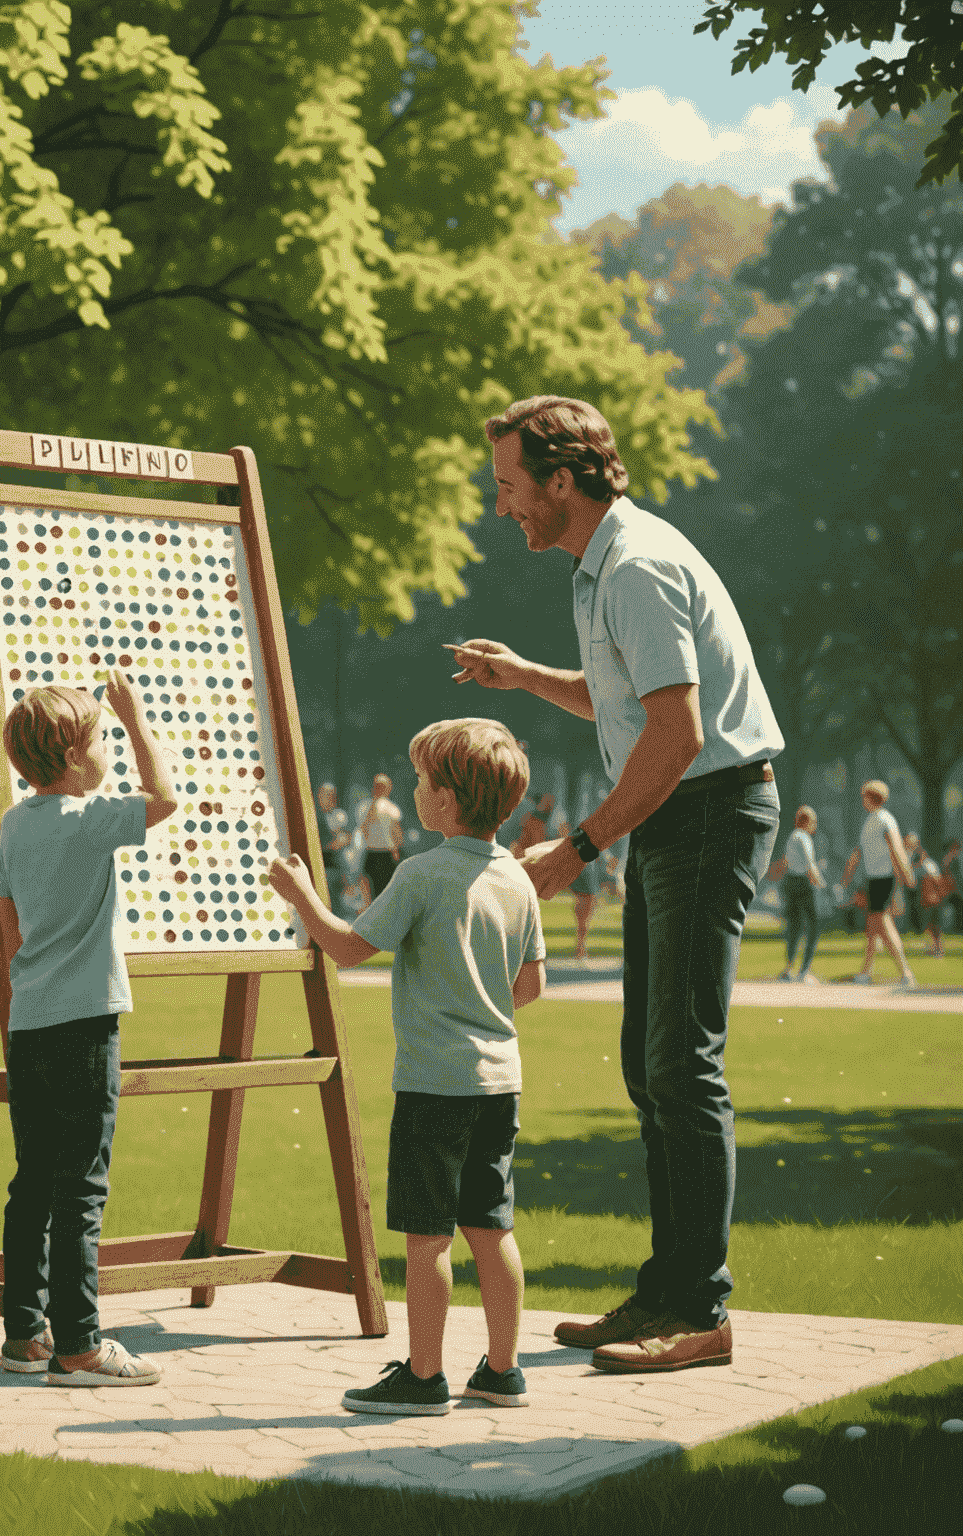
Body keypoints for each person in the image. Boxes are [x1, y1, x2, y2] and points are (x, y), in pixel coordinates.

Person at [450, 395, 781, 1374]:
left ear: (562, 481)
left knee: (683, 1068)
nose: (502, 505)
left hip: (709, 810)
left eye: (510, 486)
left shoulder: (633, 568)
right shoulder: (601, 568)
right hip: (681, 813)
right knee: (652, 1065)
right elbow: (622, 696)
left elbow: (676, 736)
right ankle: (666, 1293)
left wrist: (576, 850)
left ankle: (699, 1311)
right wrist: (526, 679)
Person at [269, 717, 544, 1414]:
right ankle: (502, 1371)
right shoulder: (519, 879)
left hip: (433, 1084)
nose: (417, 789)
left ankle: (424, 1378)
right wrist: (482, 1005)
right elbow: (530, 986)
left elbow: (350, 948)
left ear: (445, 801)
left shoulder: (421, 874)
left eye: (423, 780)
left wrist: (302, 896)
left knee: (428, 1236)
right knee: (492, 1227)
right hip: (499, 1081)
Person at [0, 669, 177, 1386]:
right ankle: (80, 1346)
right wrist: (134, 717)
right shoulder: (87, 818)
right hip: (85, 1023)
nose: (106, 751)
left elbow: (8, 921)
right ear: (74, 758)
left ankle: (23, 1333)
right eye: (100, 741)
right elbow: (163, 799)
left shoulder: (13, 824)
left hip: (30, 1022)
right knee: (82, 1189)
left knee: (33, 1182)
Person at [839, 781, 917, 986]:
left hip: (884, 879)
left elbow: (896, 848)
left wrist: (907, 874)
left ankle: (905, 973)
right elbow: (858, 853)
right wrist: (847, 877)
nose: (862, 799)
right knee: (873, 929)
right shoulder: (870, 821)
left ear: (870, 797)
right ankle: (865, 972)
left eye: (864, 796)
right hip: (874, 879)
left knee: (881, 924)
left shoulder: (884, 819)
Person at [766, 806, 825, 983]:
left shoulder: (792, 836)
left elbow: (785, 862)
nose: (815, 825)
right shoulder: (803, 837)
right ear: (807, 821)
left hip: (790, 882)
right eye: (813, 821)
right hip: (803, 884)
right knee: (813, 926)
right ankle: (804, 971)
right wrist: (822, 884)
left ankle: (789, 969)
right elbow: (809, 864)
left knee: (794, 926)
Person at [554, 815, 604, 964]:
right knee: (585, 907)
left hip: (586, 866)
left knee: (586, 909)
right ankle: (581, 947)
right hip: (582, 867)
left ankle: (581, 947)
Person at [357, 772, 403, 904]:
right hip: (371, 853)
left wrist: (396, 850)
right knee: (370, 891)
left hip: (386, 854)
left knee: (387, 890)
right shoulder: (365, 807)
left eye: (382, 786)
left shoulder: (392, 808)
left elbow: (397, 833)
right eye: (377, 786)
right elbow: (364, 830)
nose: (380, 789)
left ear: (389, 788)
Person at [317, 782, 352, 913]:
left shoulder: (339, 815)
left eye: (326, 796)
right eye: (322, 796)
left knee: (335, 896)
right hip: (323, 860)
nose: (323, 799)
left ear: (332, 797)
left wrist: (331, 844)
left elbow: (344, 839)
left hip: (336, 862)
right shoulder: (317, 816)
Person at [912, 840, 946, 958]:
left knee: (935, 925)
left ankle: (939, 949)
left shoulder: (929, 865)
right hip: (925, 900)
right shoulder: (918, 866)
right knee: (929, 925)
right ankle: (934, 947)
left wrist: (938, 895)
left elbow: (938, 881)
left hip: (933, 899)